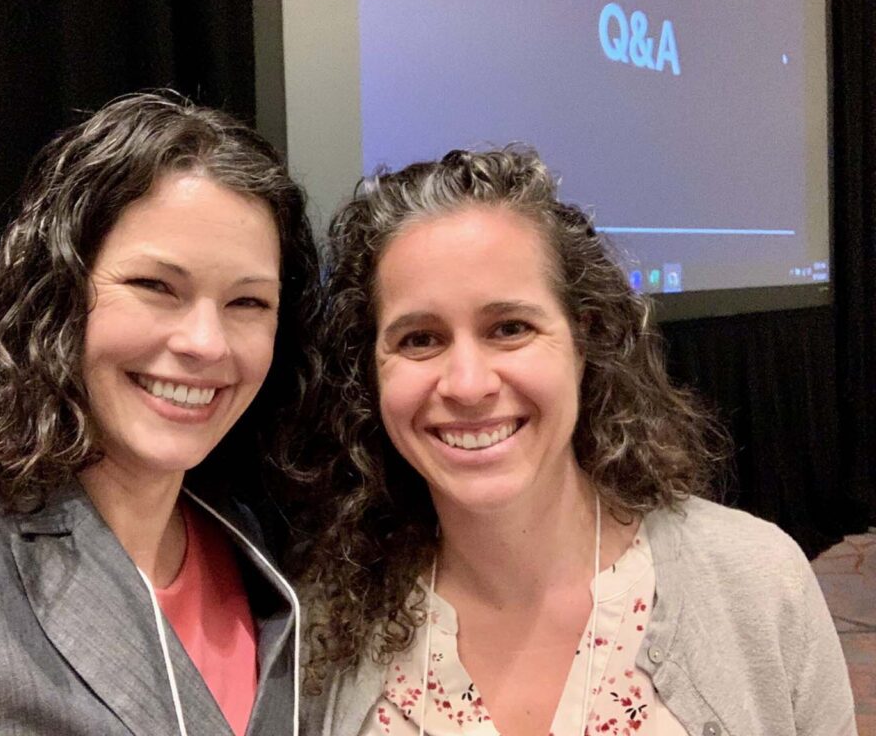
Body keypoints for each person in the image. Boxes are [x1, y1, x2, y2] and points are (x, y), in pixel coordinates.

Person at [294, 148, 856, 735]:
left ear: (584, 341)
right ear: (370, 372)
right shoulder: (323, 629)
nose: (467, 384)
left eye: (509, 328)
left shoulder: (758, 582)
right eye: (419, 339)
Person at [0, 92, 319, 735]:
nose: (206, 343)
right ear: (59, 293)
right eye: (157, 287)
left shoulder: (263, 544)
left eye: (248, 303)